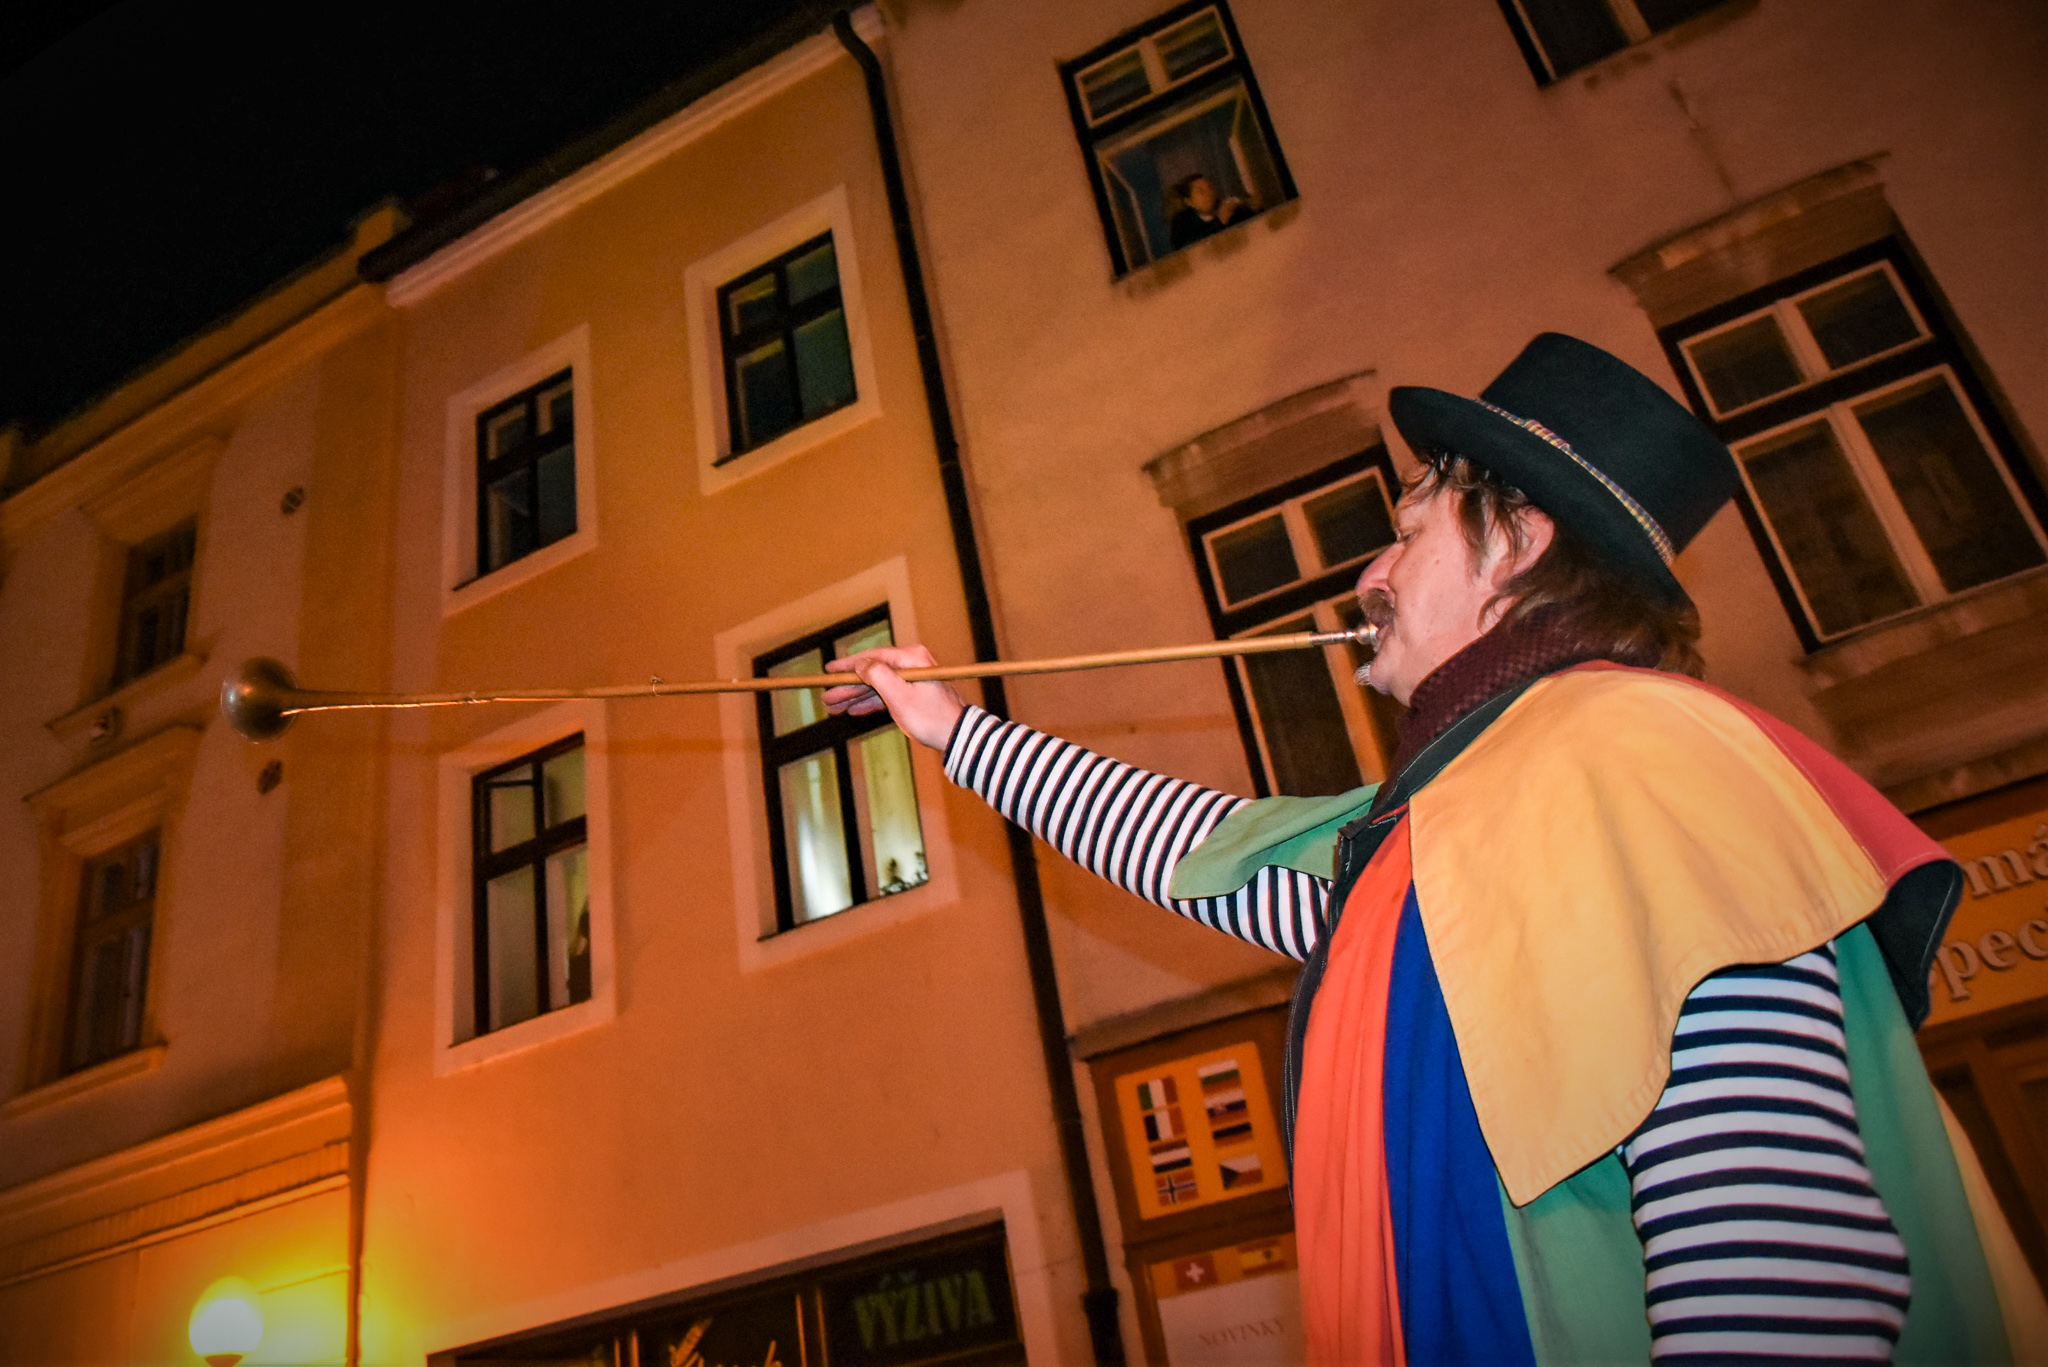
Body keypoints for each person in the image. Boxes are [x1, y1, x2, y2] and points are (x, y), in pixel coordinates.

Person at [825, 334, 2043, 1363]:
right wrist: (948, 728)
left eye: (1406, 531)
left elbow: (1780, 1256)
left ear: (1513, 541)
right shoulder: (1480, 805)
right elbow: (1209, 853)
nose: (1369, 573)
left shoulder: (1636, 756)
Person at [1168, 172, 1248, 249]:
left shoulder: (1228, 209)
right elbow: (1188, 247)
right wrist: (1219, 221)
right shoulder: (1182, 222)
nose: (1208, 194)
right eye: (1201, 192)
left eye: (1210, 188)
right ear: (1189, 202)